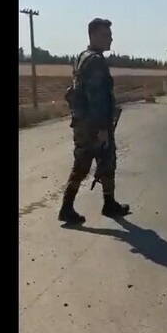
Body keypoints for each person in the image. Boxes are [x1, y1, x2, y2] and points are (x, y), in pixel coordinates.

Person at [58, 18, 130, 225]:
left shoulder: (82, 57)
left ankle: (103, 204)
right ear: (94, 36)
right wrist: (102, 129)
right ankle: (75, 207)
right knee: (103, 159)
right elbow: (97, 99)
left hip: (82, 122)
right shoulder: (96, 61)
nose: (110, 39)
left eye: (110, 35)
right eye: (106, 35)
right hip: (94, 123)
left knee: (90, 162)